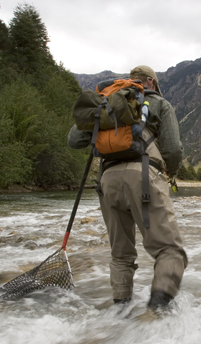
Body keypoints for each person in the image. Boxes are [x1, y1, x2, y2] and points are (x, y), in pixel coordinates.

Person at [68, 65, 187, 311]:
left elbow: (74, 140)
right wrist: (171, 174)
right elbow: (173, 149)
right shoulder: (157, 103)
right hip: (143, 176)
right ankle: (158, 309)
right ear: (152, 83)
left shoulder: (107, 103)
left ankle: (120, 312)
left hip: (108, 181)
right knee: (169, 249)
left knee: (121, 254)